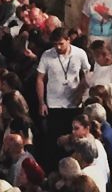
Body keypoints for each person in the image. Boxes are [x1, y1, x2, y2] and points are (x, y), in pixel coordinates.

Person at [36, 26, 90, 166]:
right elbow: (40, 79)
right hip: (54, 104)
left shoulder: (80, 54)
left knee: (73, 139)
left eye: (61, 43)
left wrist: (81, 93)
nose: (58, 47)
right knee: (55, 140)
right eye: (55, 44)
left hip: (73, 104)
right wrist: (41, 102)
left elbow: (87, 74)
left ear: (68, 40)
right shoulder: (47, 55)